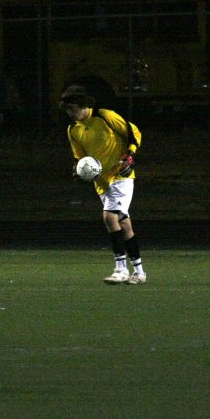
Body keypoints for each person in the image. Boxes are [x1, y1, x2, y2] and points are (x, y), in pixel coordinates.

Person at [60, 85, 146, 284]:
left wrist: (130, 156)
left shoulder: (105, 116)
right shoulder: (73, 129)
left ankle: (120, 268)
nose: (70, 113)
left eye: (73, 108)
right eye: (67, 110)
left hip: (120, 175)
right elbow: (79, 157)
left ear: (84, 105)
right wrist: (78, 170)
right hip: (101, 182)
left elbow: (133, 133)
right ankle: (140, 273)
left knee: (109, 217)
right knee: (124, 224)